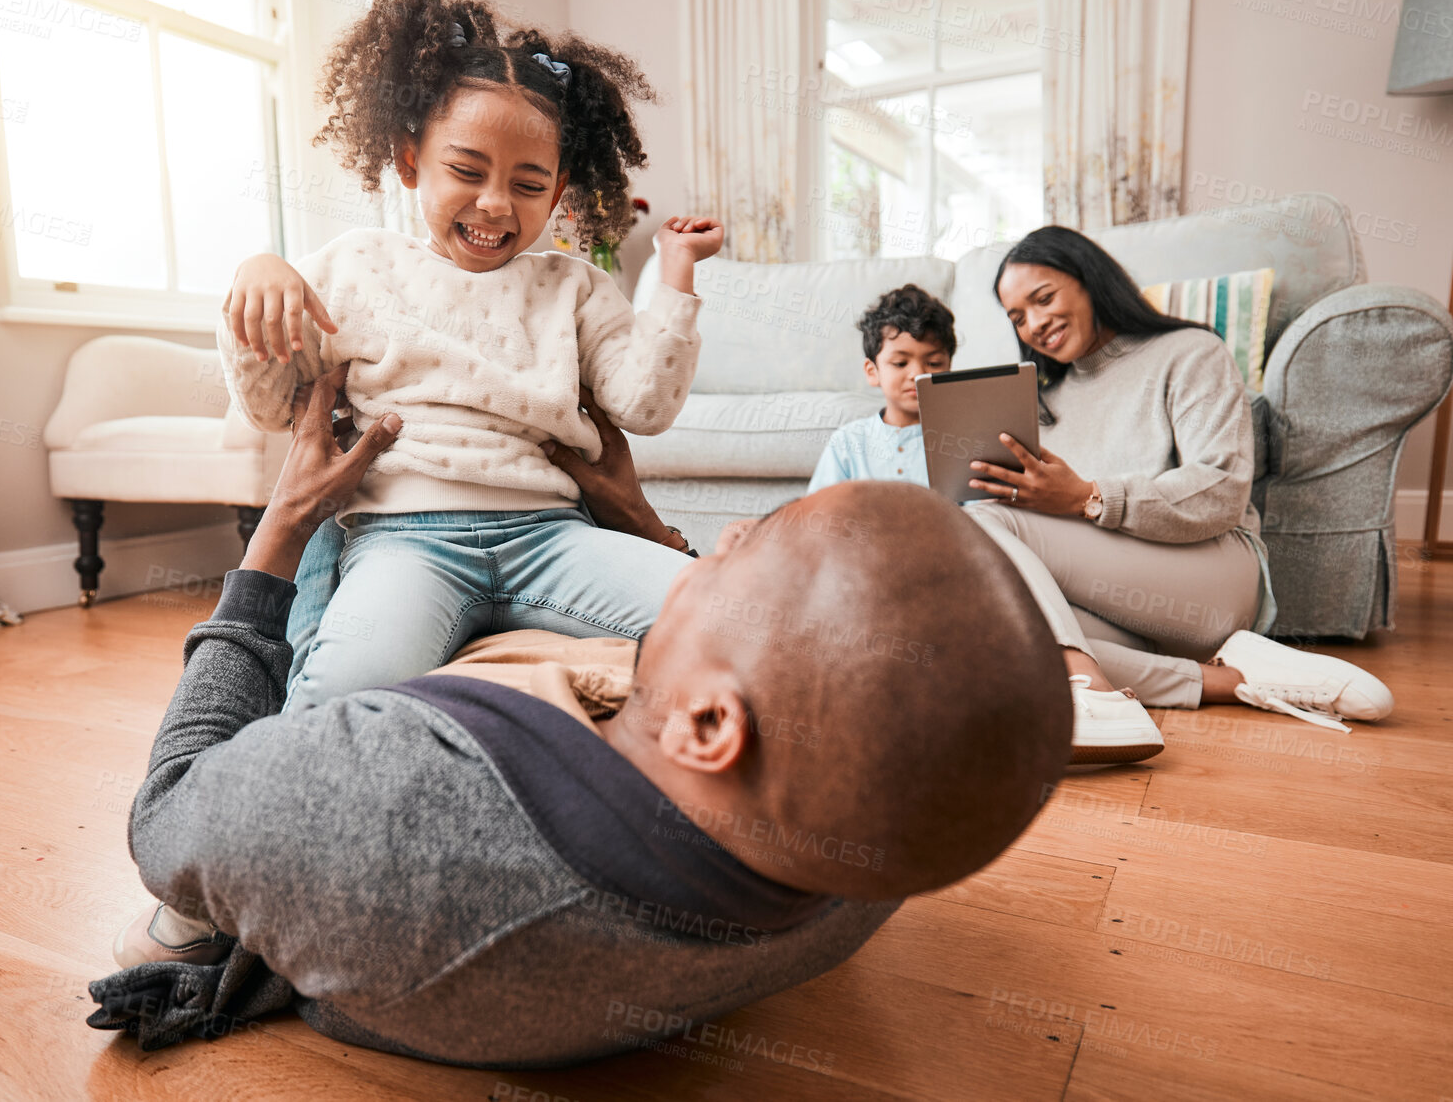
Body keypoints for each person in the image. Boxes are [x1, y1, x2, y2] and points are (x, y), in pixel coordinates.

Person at [89, 368, 1073, 1068]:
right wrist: (636, 517)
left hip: (364, 874)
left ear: (707, 728)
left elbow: (168, 816)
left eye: (753, 547)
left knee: (321, 584)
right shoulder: (868, 848)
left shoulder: (366, 799)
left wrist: (281, 529)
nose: (726, 534)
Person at [215, 0, 722, 716]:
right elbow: (267, 407)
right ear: (410, 157)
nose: (494, 203)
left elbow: (644, 405)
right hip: (402, 544)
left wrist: (677, 272)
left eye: (527, 184)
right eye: (466, 169)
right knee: (340, 702)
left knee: (725, 622)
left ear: (557, 196)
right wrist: (254, 277)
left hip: (549, 535)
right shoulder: (353, 263)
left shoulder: (573, 286)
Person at [954, 225, 1392, 759]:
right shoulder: (1044, 400)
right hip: (1119, 608)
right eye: (1017, 317)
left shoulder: (1189, 352)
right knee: (995, 622)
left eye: (1043, 299)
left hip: (1212, 575)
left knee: (977, 523)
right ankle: (1233, 681)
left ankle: (1089, 694)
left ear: (1090, 281)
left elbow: (1222, 489)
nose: (1035, 324)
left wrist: (1088, 497)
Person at [806, 284, 957, 493]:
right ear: (872, 372)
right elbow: (819, 512)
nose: (918, 374)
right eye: (900, 363)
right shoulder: (849, 442)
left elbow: (982, 515)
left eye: (933, 363)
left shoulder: (961, 442)